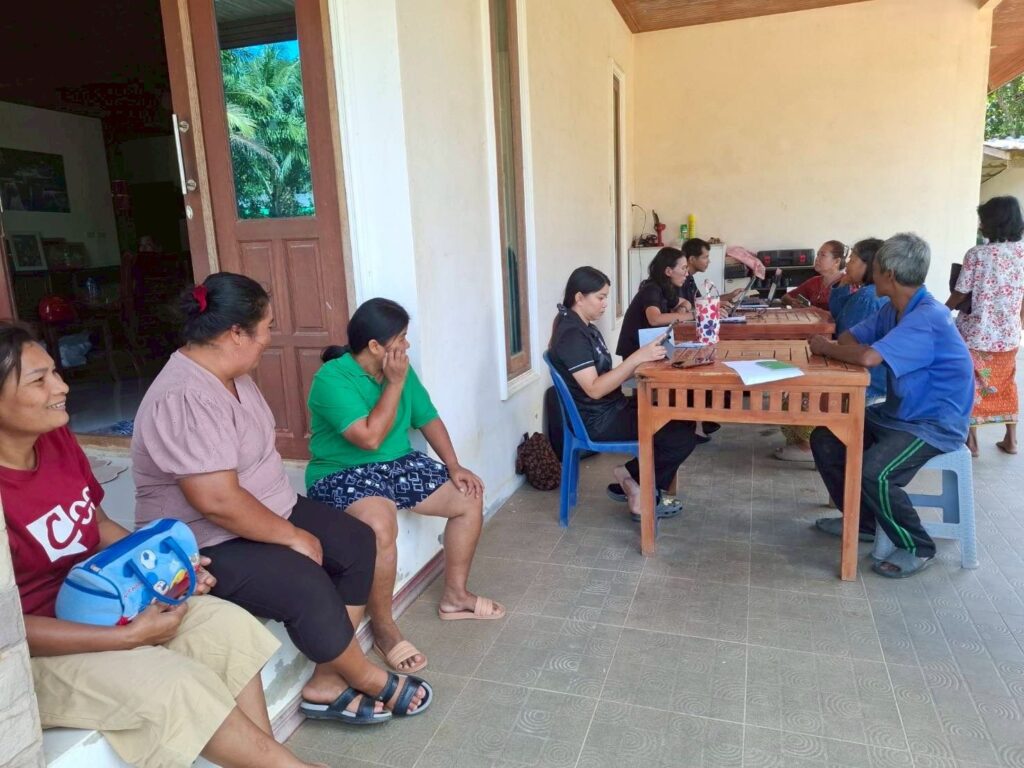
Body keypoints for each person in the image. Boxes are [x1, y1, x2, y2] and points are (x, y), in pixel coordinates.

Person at [0, 322, 323, 768]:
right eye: (39, 380)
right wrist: (125, 638)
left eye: (55, 371)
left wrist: (168, 568)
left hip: (109, 600)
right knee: (172, 684)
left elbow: (97, 523)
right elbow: (9, 632)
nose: (62, 387)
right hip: (39, 650)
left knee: (225, 626)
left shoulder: (55, 439)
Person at [132, 273, 431, 726]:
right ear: (236, 333)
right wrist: (291, 536)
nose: (270, 338)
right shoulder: (184, 395)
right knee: (305, 581)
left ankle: (327, 680)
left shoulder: (233, 376)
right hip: (205, 540)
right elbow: (216, 501)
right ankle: (368, 677)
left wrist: (289, 526)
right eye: (267, 327)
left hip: (268, 506)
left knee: (356, 542)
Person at [305, 298, 503, 677]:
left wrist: (455, 465)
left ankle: (455, 596)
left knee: (468, 496)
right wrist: (394, 383)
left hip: (397, 463)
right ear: (374, 346)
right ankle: (384, 628)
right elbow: (369, 438)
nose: (406, 346)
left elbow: (427, 417)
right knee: (380, 525)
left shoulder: (401, 371)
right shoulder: (331, 379)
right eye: (400, 339)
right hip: (342, 471)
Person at [808, 233, 973, 579]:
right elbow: (851, 339)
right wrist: (839, 347)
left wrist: (826, 348)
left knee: (876, 472)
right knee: (827, 436)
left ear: (890, 274)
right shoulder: (893, 309)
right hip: (899, 414)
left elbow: (867, 356)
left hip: (933, 424)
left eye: (876, 267)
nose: (871, 272)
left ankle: (917, 546)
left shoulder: (927, 317)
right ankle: (863, 522)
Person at [547, 266, 701, 520]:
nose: (605, 304)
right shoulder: (572, 335)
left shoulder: (584, 327)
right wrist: (636, 359)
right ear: (579, 297)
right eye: (600, 297)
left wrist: (644, 361)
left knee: (681, 418)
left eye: (606, 297)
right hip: (598, 421)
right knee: (680, 436)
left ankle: (631, 478)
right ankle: (636, 486)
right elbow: (594, 389)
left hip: (610, 408)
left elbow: (606, 377)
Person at [947, 195, 1024, 456]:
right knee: (1006, 383)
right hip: (1009, 335)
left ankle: (972, 442)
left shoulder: (978, 254)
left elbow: (961, 291)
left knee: (971, 384)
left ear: (993, 222)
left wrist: (943, 310)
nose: (980, 224)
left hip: (976, 334)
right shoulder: (1022, 253)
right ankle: (1011, 440)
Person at [828, 237, 888, 402]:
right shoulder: (869, 291)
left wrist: (824, 346)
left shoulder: (867, 297)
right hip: (878, 381)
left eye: (853, 260)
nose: (847, 264)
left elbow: (843, 333)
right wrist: (843, 285)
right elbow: (839, 313)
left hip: (868, 385)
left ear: (870, 266)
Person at [615, 246, 693, 359]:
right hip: (636, 351)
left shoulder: (665, 288)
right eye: (683, 268)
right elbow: (654, 319)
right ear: (668, 271)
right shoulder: (651, 289)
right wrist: (691, 315)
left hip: (653, 346)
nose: (687, 274)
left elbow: (686, 302)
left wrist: (681, 310)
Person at [677, 237, 745, 312]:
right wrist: (713, 305)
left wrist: (730, 295)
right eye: (705, 257)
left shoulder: (690, 278)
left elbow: (701, 302)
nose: (709, 261)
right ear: (692, 259)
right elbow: (685, 310)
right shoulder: (680, 279)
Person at [779, 240, 846, 310]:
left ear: (837, 261)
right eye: (818, 255)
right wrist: (793, 302)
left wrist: (813, 310)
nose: (817, 259)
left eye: (823, 255)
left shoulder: (847, 284)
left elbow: (844, 314)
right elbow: (785, 297)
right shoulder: (814, 281)